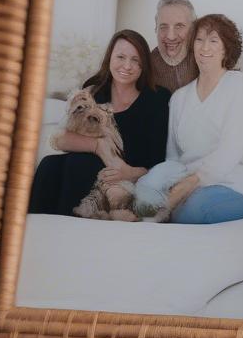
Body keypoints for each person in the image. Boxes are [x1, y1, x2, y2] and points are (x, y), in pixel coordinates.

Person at [133, 13, 243, 224]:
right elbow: (173, 157)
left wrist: (188, 185)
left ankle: (168, 217)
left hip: (235, 183)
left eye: (213, 41)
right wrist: (168, 186)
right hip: (187, 182)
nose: (204, 48)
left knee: (194, 209)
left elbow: (231, 150)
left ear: (226, 48)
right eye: (199, 40)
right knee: (145, 192)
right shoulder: (179, 98)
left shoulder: (238, 85)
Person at [28, 29, 169, 216]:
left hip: (127, 181)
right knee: (49, 165)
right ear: (110, 57)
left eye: (135, 60)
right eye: (120, 57)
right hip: (87, 168)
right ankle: (34, 227)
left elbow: (158, 163)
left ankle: (71, 229)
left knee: (80, 163)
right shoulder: (95, 90)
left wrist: (128, 173)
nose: (127, 66)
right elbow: (58, 139)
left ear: (144, 64)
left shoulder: (157, 99)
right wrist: (98, 146)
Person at [150, 0, 198, 93]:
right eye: (163, 27)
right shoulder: (146, 65)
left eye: (179, 26)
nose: (171, 37)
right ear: (156, 30)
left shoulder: (206, 59)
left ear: (193, 29)